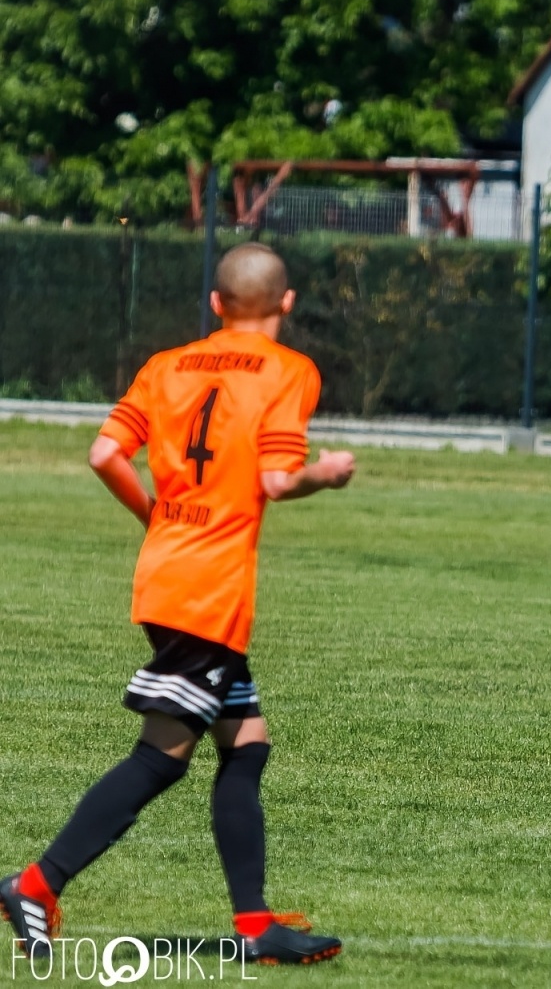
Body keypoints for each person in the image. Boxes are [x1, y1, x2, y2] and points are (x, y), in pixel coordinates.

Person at [0, 244, 355, 966]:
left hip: (166, 571)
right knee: (163, 757)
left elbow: (105, 454)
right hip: (210, 591)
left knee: (246, 744)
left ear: (216, 305)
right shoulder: (290, 371)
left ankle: (255, 928)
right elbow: (279, 479)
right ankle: (36, 883)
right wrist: (328, 472)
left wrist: (155, 516)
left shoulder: (167, 366)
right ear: (286, 305)